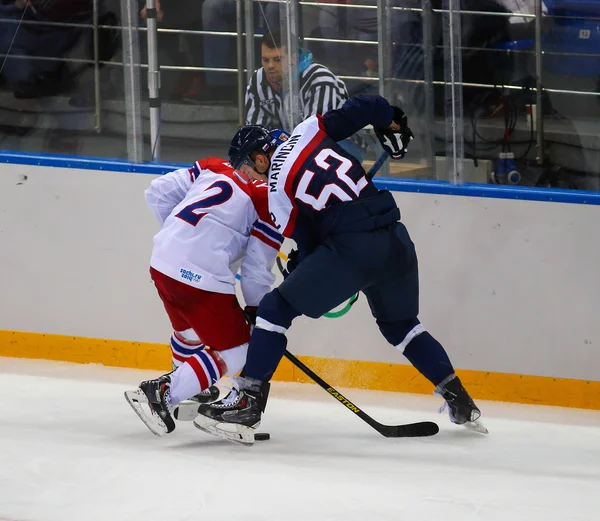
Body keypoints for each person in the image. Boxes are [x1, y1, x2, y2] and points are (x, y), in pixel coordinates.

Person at [189, 94, 487, 444]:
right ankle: (460, 399)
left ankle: (248, 403)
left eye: (246, 168)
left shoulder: (276, 193)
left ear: (259, 158)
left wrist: (301, 265)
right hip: (394, 237)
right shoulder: (308, 129)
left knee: (273, 309)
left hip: (352, 249)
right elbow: (368, 105)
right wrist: (391, 122)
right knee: (403, 327)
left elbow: (314, 243)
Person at [124, 156, 284, 436]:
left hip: (163, 261)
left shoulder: (214, 166)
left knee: (189, 332)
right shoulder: (269, 200)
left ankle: (192, 384)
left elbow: (158, 191)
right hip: (200, 278)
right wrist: (257, 311)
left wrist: (184, 238)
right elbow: (255, 272)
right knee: (239, 351)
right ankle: (162, 392)